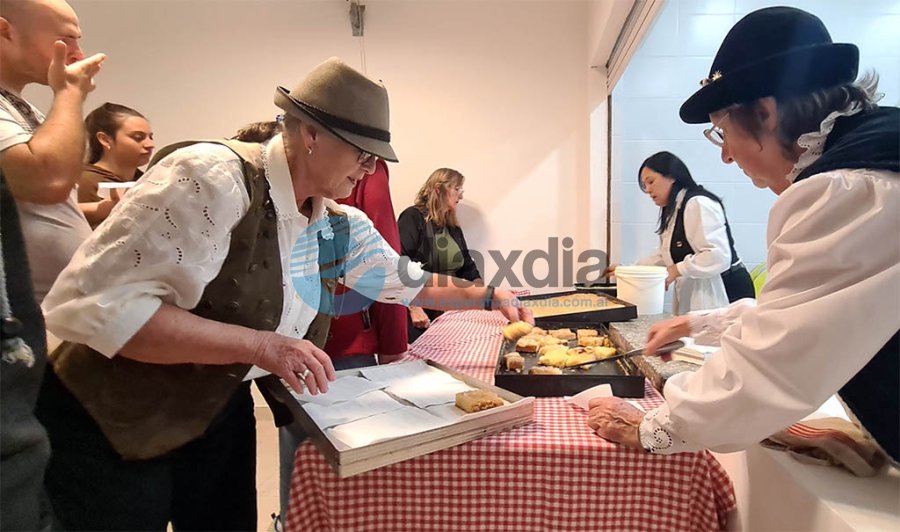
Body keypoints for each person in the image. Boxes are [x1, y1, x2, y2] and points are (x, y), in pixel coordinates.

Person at [38, 57, 531, 530]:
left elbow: (406, 281)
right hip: (113, 412)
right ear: (311, 135)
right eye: (361, 154)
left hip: (218, 404)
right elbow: (102, 307)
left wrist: (491, 296)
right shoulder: (213, 177)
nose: (368, 170)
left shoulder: (335, 221)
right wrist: (262, 346)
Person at [588, 7, 899, 464]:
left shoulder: (850, 189)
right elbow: (800, 314)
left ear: (765, 113)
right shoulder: (873, 160)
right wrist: (696, 324)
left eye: (723, 133)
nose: (727, 157)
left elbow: (772, 366)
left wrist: (655, 428)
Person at [0, 1, 104, 529]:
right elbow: (45, 178)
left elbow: (43, 202)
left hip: (52, 329)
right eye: (66, 37)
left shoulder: (19, 107)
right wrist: (70, 93)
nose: (79, 52)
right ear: (4, 32)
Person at [607, 151, 754, 314]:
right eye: (644, 185)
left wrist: (675, 270)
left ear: (672, 177)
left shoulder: (698, 203)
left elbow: (717, 256)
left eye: (651, 181)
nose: (647, 190)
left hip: (725, 292)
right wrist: (628, 271)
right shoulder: (674, 208)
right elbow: (665, 255)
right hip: (700, 290)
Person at [399, 168, 482, 341]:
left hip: (451, 309)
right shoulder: (413, 217)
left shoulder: (451, 225)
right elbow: (400, 264)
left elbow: (467, 265)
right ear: (438, 189)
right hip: (422, 311)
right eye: (457, 189)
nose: (461, 196)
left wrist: (483, 294)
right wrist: (414, 307)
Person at [79, 102, 154, 227]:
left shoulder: (149, 180)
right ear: (105, 139)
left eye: (150, 137)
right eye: (138, 137)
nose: (150, 145)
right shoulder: (85, 181)